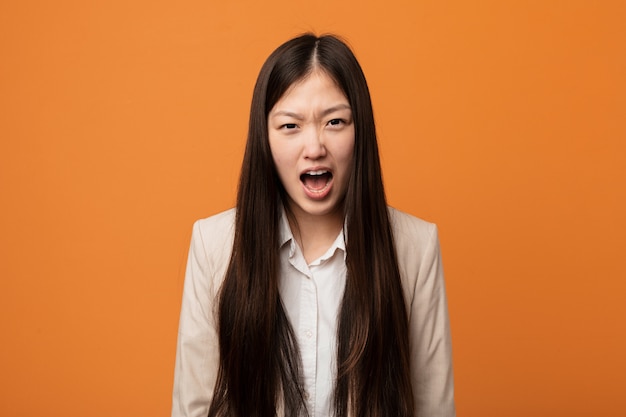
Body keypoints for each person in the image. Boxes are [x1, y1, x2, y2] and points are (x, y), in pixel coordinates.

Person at [172, 33, 455, 417]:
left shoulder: (415, 247)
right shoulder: (214, 245)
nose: (315, 146)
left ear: (361, 132)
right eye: (291, 126)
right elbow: (194, 407)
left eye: (335, 121)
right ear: (264, 139)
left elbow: (432, 407)